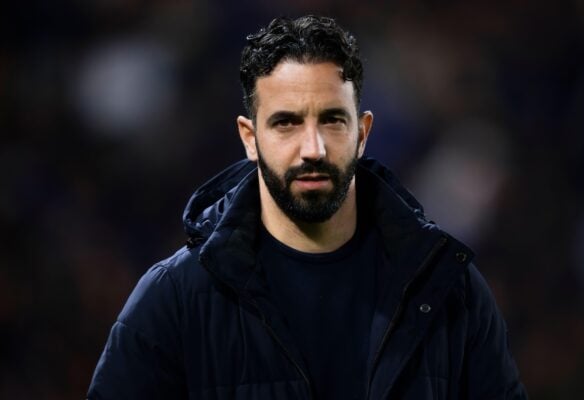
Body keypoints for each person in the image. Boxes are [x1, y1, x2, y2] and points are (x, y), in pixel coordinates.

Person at [87, 15, 527, 400]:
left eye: (332, 120)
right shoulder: (173, 301)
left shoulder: (449, 290)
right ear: (249, 137)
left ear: (363, 132)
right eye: (286, 122)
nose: (312, 148)